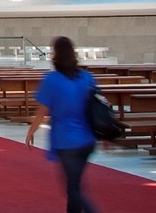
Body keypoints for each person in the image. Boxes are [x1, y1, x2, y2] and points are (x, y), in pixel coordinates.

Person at [25, 36, 99, 213]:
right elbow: (97, 106)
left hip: (67, 140)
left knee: (73, 188)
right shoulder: (86, 77)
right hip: (87, 139)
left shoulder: (52, 80)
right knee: (75, 185)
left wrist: (31, 131)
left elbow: (42, 111)